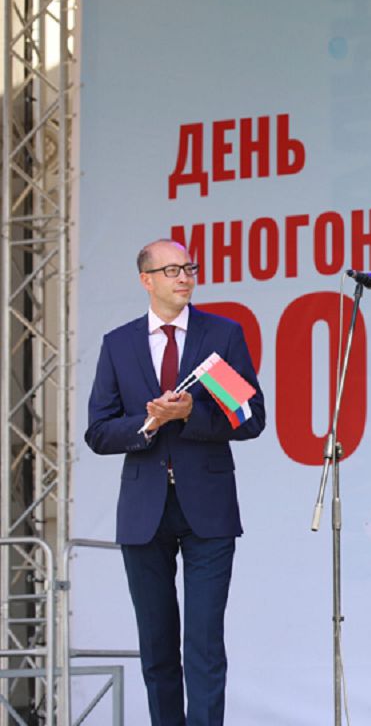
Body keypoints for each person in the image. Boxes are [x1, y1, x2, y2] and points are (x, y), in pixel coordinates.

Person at [85, 239, 265, 726]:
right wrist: (149, 422)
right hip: (144, 511)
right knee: (157, 647)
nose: (185, 277)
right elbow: (98, 432)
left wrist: (190, 414)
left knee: (204, 644)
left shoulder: (220, 335)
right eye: (171, 270)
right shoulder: (119, 344)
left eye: (189, 268)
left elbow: (250, 417)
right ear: (146, 280)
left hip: (208, 507)